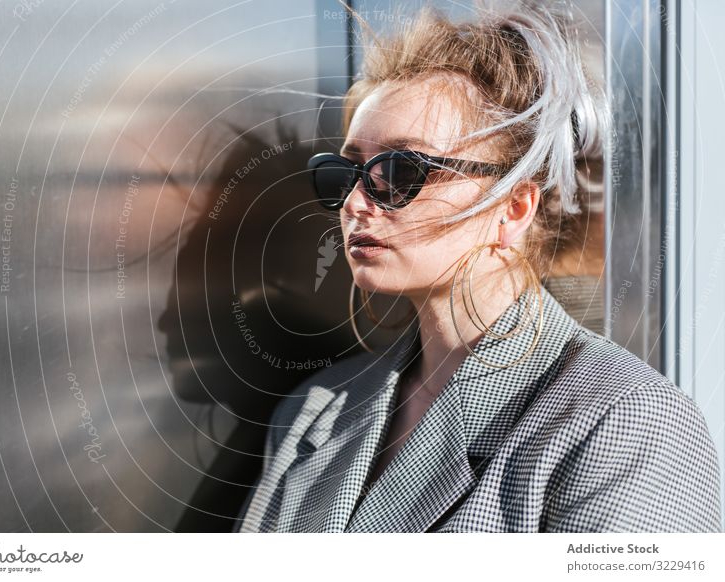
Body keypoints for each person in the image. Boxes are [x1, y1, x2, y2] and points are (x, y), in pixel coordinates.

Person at [233, 4, 721, 532]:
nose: (354, 202)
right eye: (345, 172)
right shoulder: (316, 411)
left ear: (513, 209)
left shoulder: (624, 422)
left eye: (400, 170)